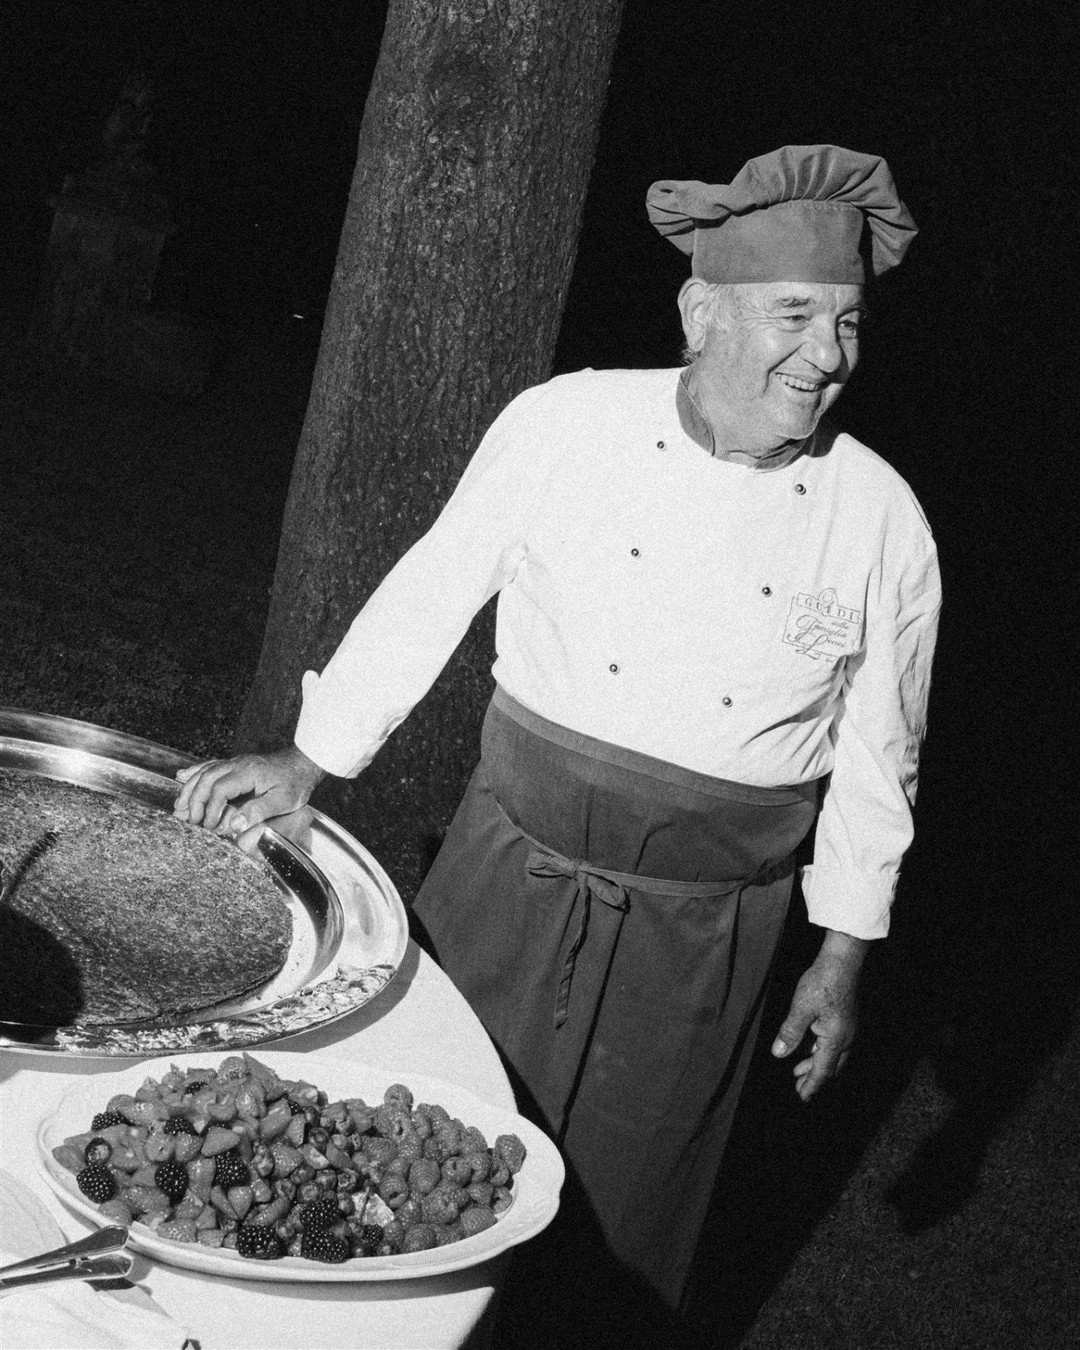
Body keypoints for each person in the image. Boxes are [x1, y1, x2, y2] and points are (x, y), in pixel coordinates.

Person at [175, 145, 940, 1326]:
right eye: (796, 314)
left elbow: (882, 754)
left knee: (619, 1231)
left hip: (706, 932)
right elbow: (434, 586)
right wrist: (309, 759)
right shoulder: (566, 423)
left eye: (849, 322)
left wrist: (842, 953)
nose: (828, 357)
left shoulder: (883, 516)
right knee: (407, 1161)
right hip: (507, 876)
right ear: (702, 313)